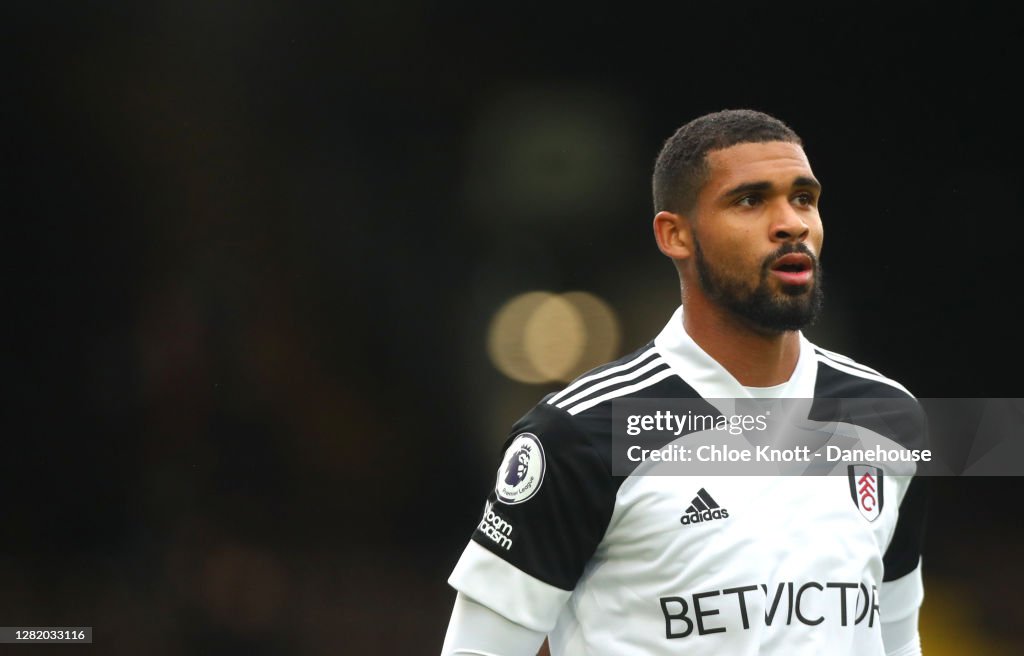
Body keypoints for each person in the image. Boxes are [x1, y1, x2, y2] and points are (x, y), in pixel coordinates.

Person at [441, 109, 926, 655]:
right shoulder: (580, 435)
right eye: (750, 200)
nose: (790, 223)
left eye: (803, 198)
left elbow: (896, 643)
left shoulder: (886, 416)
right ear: (675, 235)